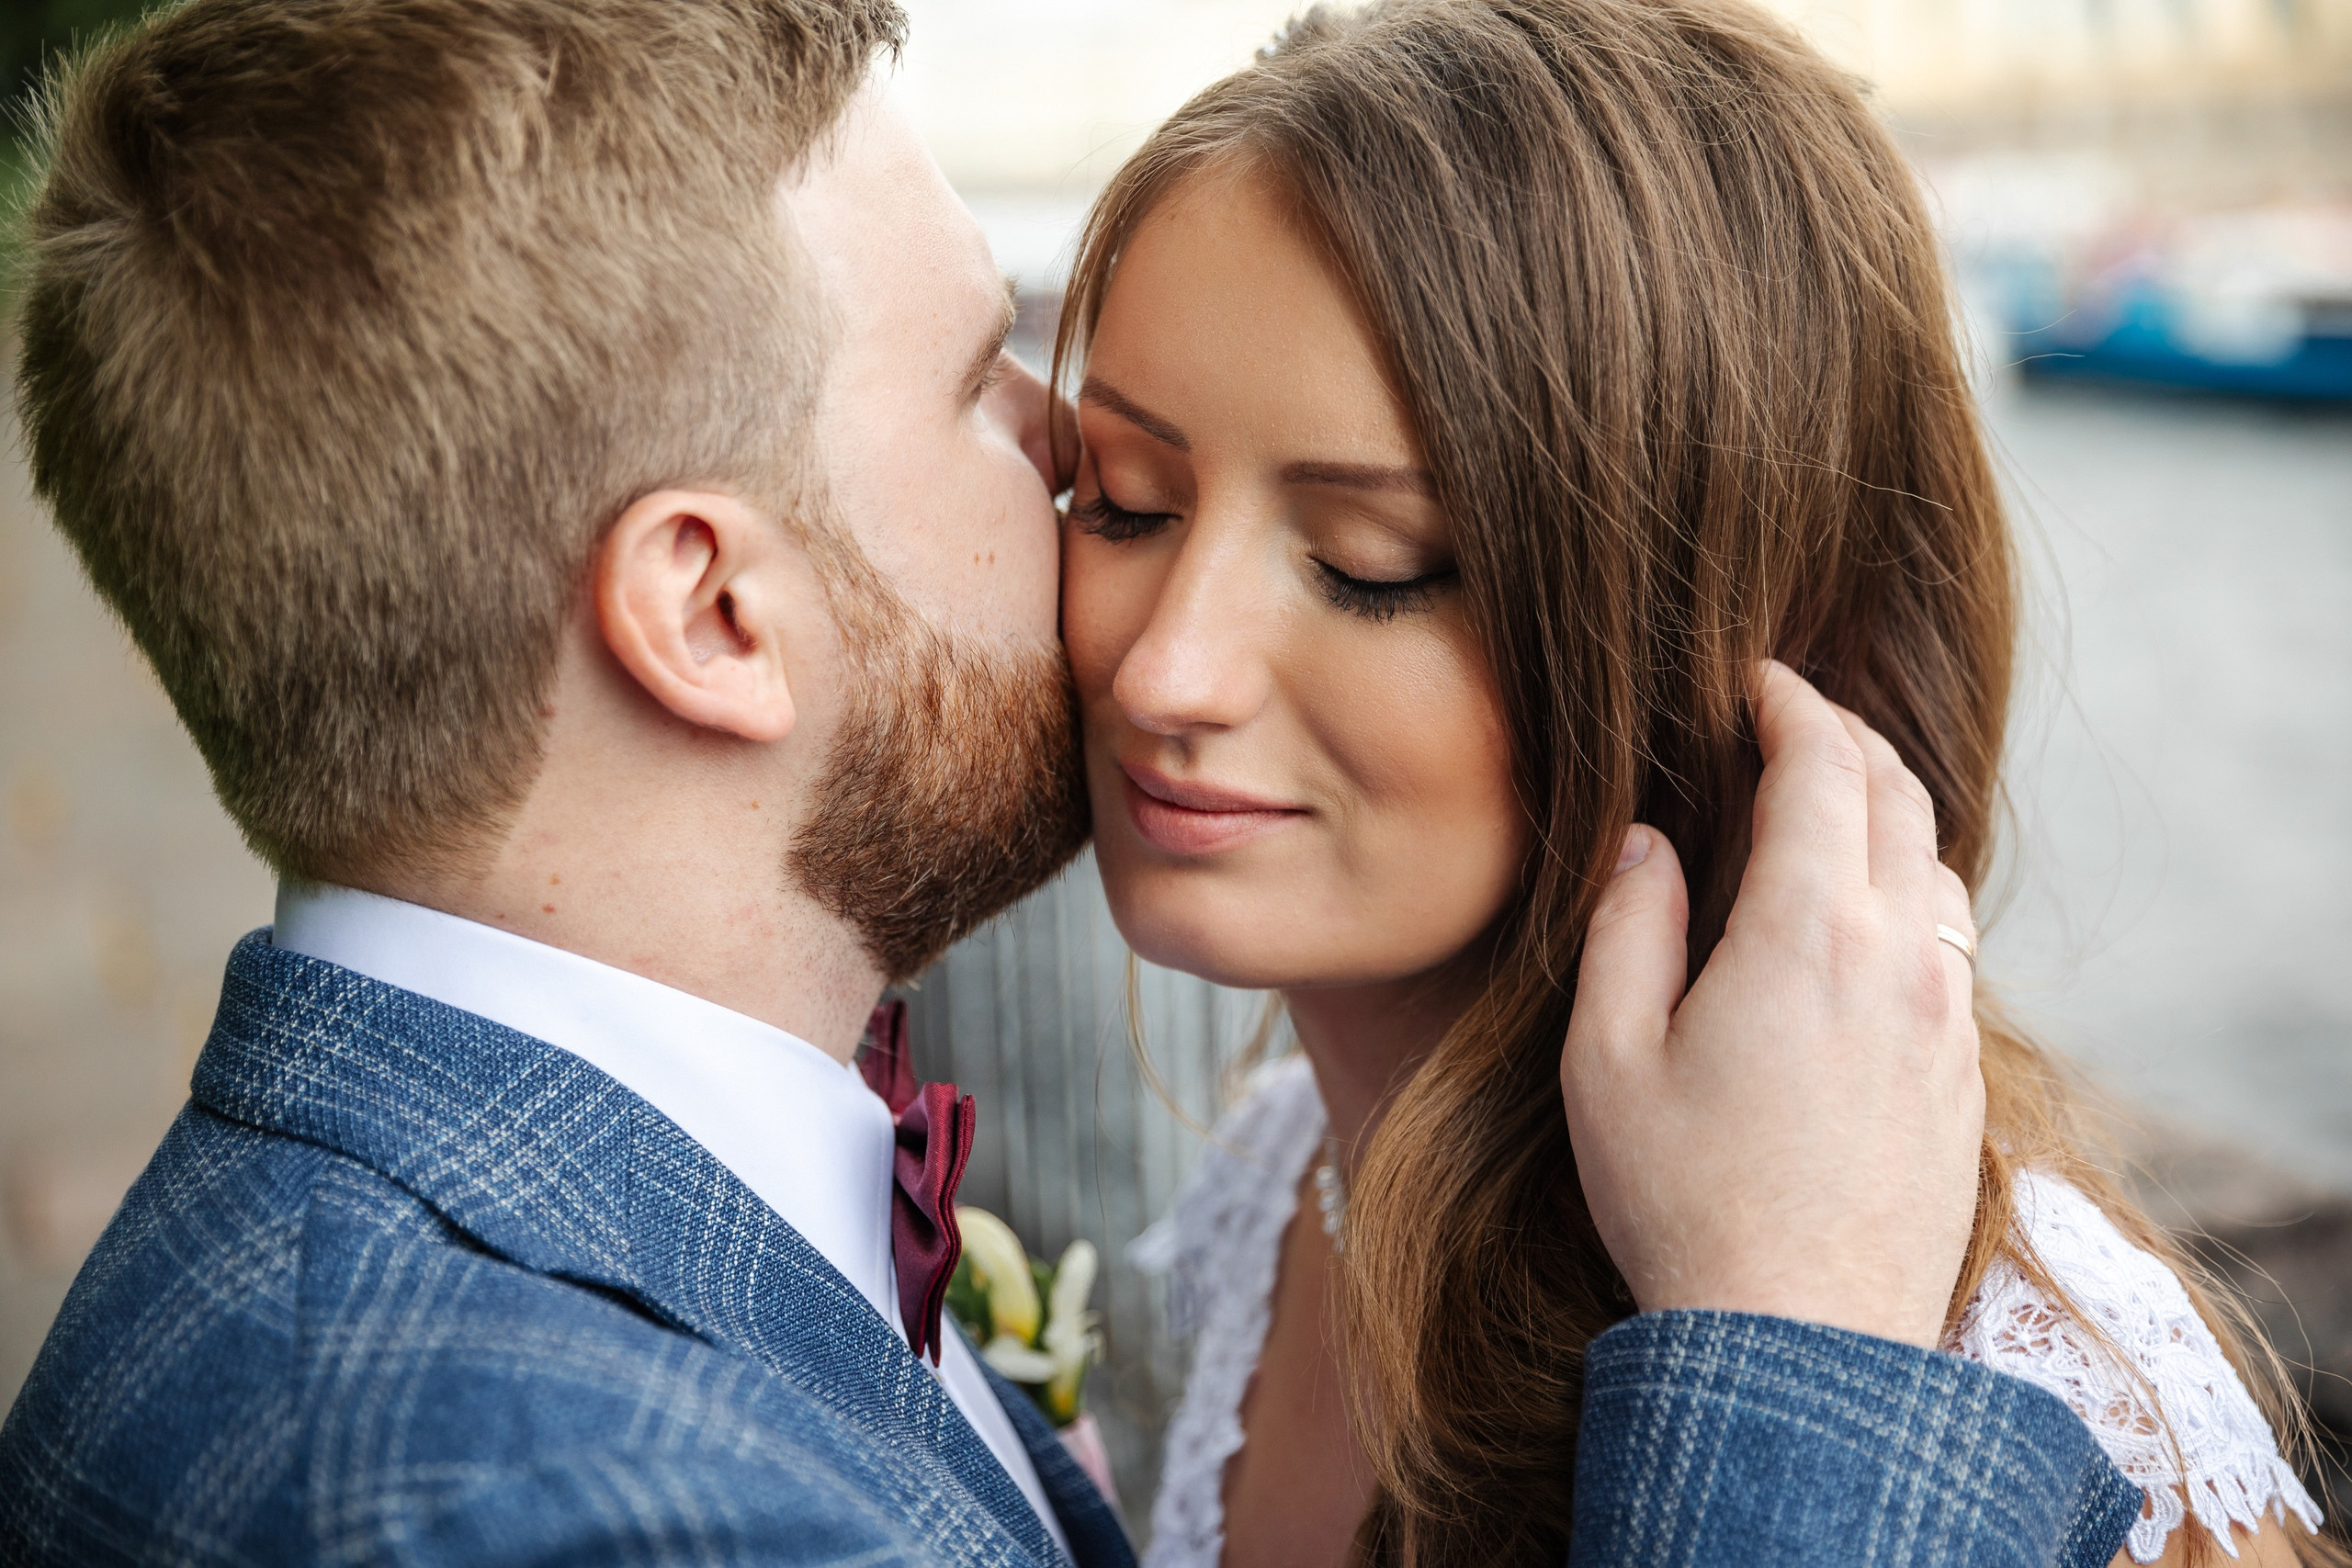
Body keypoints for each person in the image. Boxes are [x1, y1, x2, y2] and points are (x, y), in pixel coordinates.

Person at [1, 0, 2130, 1563]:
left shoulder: (468, 1231)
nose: (1055, 466)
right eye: (1002, 404)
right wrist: (1797, 1376)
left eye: (1372, 561)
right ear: (713, 614)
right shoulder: (605, 1512)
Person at [1052, 3, 2337, 1567]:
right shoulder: (1286, 1171)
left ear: (1730, 647)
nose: (1166, 670)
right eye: (1119, 501)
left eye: (1373, 567)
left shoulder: (2029, 1408)